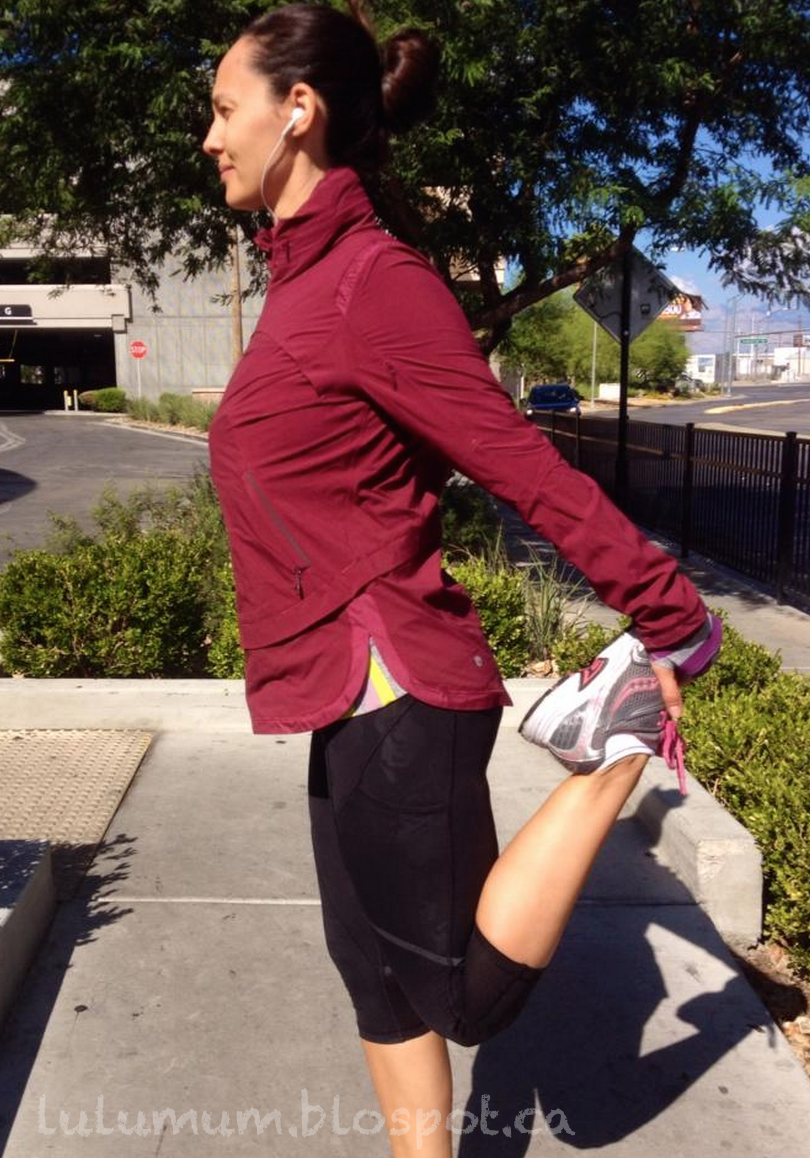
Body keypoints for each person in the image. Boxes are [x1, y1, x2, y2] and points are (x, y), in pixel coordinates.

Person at [202, 4, 720, 1154]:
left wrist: (667, 614)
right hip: (340, 681)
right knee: (372, 973)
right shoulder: (304, 276)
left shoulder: (373, 282)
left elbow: (515, 460)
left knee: (465, 999)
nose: (211, 137)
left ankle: (619, 738)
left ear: (298, 110)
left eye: (225, 109)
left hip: (393, 674)